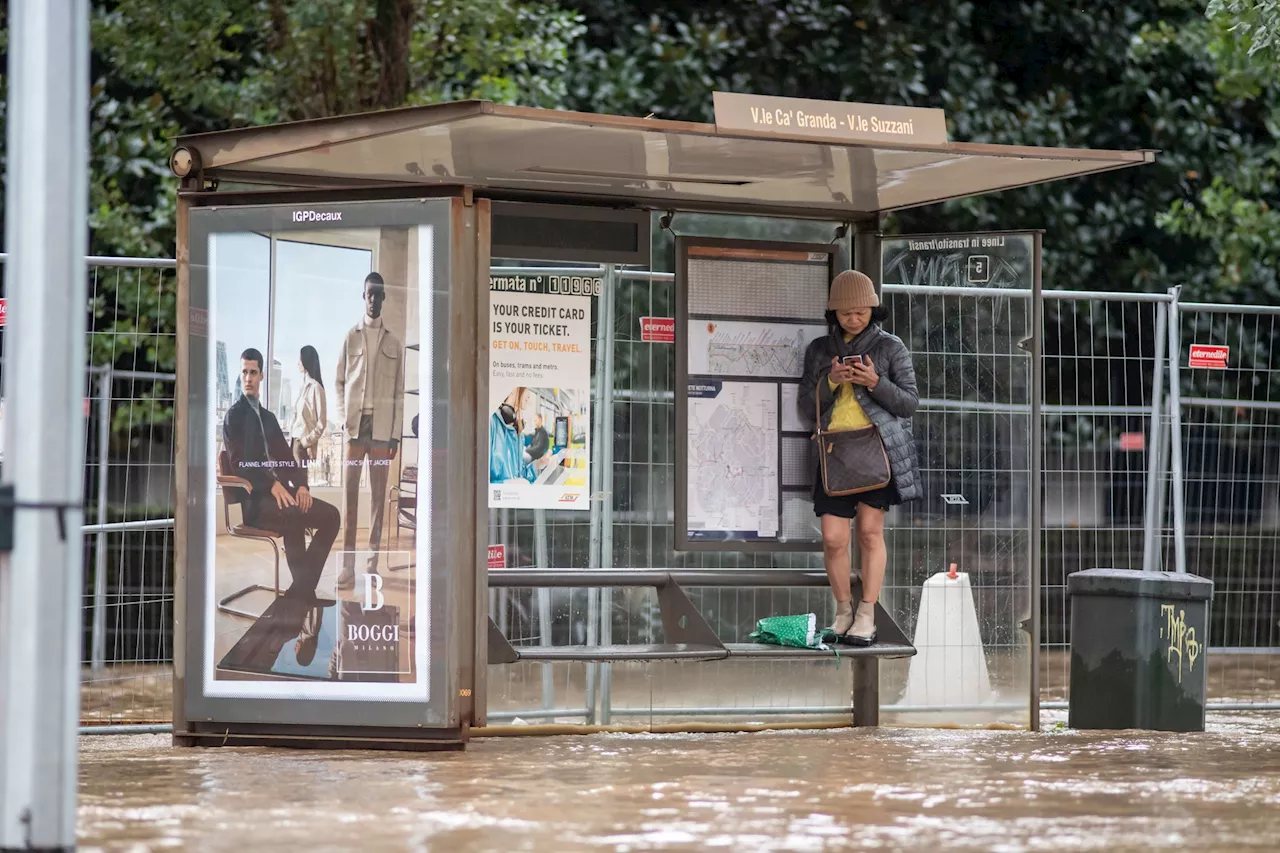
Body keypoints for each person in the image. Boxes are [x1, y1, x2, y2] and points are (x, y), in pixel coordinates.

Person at [799, 270, 920, 646]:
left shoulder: (890, 347)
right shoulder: (820, 349)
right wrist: (832, 380)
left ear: (873, 309)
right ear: (834, 313)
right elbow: (807, 406)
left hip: (877, 450)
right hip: (833, 451)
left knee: (870, 533)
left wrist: (873, 382)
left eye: (862, 311)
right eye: (846, 312)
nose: (854, 318)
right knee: (834, 539)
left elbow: (910, 403)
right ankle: (843, 610)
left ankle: (867, 611)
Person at [223, 348, 341, 597]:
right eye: (244, 372)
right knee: (293, 515)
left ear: (262, 375)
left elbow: (288, 459)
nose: (248, 378)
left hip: (283, 494)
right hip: (256, 501)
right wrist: (271, 485)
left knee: (332, 516)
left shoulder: (269, 418)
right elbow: (239, 464)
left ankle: (300, 591)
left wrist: (301, 486)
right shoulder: (234, 417)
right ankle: (303, 594)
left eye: (253, 372)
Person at [334, 272, 405, 587]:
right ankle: (347, 567)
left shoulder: (394, 342)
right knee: (350, 497)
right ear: (363, 297)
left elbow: (400, 394)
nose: (374, 300)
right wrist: (341, 418)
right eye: (369, 294)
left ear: (384, 297)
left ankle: (372, 565)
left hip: (381, 431)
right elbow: (337, 382)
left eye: (379, 294)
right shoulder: (351, 336)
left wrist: (395, 435)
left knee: (378, 499)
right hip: (354, 428)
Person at [290, 345, 328, 469]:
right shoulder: (302, 387)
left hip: (302, 445)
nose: (298, 363)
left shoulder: (316, 388)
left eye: (300, 359)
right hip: (293, 442)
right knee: (293, 484)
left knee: (301, 484)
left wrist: (306, 441)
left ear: (306, 360)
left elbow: (321, 423)